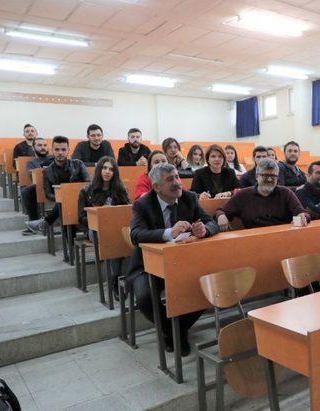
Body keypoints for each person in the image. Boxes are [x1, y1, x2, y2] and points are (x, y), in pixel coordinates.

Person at [128, 163, 218, 355]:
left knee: (207, 288)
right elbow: (135, 234)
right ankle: (175, 334)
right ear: (156, 187)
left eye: (177, 177)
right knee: (145, 297)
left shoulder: (189, 197)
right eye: (170, 179)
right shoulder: (143, 204)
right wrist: (169, 232)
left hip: (182, 263)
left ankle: (174, 331)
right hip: (147, 265)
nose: (177, 183)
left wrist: (205, 230)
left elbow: (211, 222)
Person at [78, 156, 130, 295]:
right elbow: (81, 218)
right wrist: (98, 217)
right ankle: (115, 280)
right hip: (95, 230)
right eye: (104, 168)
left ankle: (124, 279)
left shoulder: (121, 190)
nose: (107, 172)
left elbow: (128, 212)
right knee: (110, 238)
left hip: (117, 229)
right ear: (99, 170)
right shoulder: (86, 191)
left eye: (111, 169)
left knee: (120, 236)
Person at [215, 158, 310, 231]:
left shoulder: (286, 193)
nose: (269, 179)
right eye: (265, 176)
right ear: (257, 176)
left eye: (273, 176)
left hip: (282, 239)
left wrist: (302, 216)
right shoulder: (243, 195)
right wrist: (221, 215)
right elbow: (221, 211)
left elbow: (302, 212)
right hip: (253, 241)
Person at [26, 136, 90, 233]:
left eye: (63, 149)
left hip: (83, 201)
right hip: (63, 205)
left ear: (68, 150)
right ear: (52, 150)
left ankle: (46, 223)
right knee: (64, 206)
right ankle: (70, 243)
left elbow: (88, 184)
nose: (60, 152)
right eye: (57, 149)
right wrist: (62, 196)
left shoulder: (78, 164)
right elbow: (48, 194)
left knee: (65, 205)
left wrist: (71, 194)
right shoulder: (47, 171)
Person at [20, 137, 54, 235]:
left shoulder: (54, 157)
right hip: (41, 187)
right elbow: (32, 176)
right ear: (33, 148)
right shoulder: (31, 163)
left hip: (59, 185)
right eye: (39, 145)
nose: (43, 147)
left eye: (44, 145)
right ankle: (33, 223)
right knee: (26, 190)